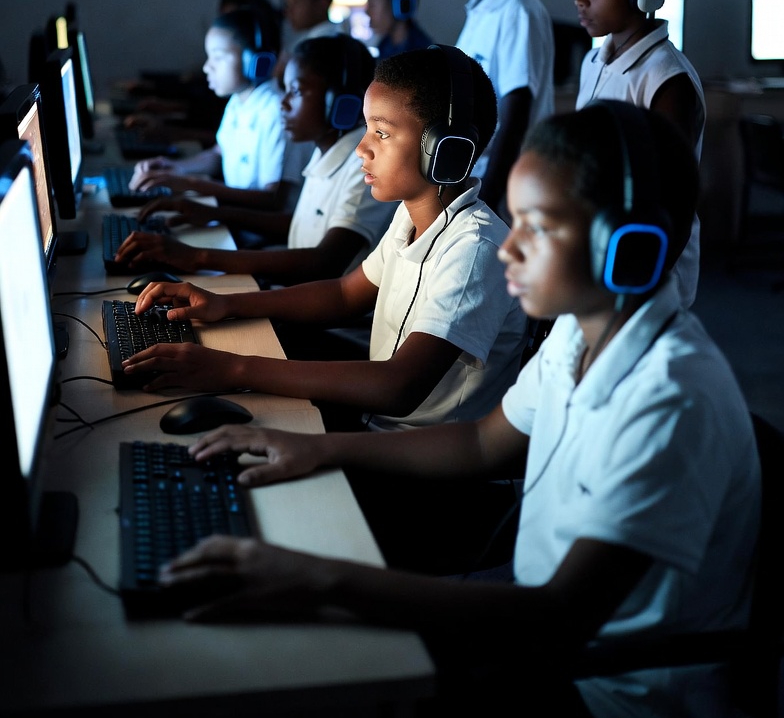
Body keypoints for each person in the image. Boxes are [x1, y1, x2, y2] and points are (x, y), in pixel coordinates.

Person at [152, 102, 760, 718]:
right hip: (534, 634)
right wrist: (316, 446)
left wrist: (319, 578)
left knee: (303, 696)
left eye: (538, 227)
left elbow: (558, 615)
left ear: (627, 247)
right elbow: (482, 443)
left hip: (612, 708)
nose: (509, 246)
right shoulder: (578, 333)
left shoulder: (672, 401)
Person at [122, 46, 525, 434]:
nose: (361, 149)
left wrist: (232, 368)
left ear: (446, 151)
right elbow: (344, 295)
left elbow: (398, 386)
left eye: (381, 134)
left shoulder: (475, 250)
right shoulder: (412, 214)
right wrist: (225, 304)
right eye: (367, 128)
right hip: (374, 423)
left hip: (420, 462)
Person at [115, 36, 394, 285]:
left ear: (340, 103)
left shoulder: (362, 165)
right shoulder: (327, 150)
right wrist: (214, 213)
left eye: (295, 91)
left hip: (331, 325)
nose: (283, 103)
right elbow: (300, 224)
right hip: (298, 295)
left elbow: (324, 262)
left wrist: (197, 257)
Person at [574, 0, 705, 306]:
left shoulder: (668, 81)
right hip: (595, 254)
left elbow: (675, 200)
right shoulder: (595, 61)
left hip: (642, 274)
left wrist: (638, 277)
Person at [449, 0, 555, 216]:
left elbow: (513, 122)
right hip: (476, 182)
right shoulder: (485, 7)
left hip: (501, 195)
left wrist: (485, 206)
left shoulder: (518, 12)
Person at [129, 2, 298, 211]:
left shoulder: (275, 112)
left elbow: (272, 199)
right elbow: (220, 154)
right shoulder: (239, 101)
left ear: (254, 62)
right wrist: (176, 168)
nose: (207, 67)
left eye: (218, 57)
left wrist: (193, 184)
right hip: (234, 219)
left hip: (257, 235)